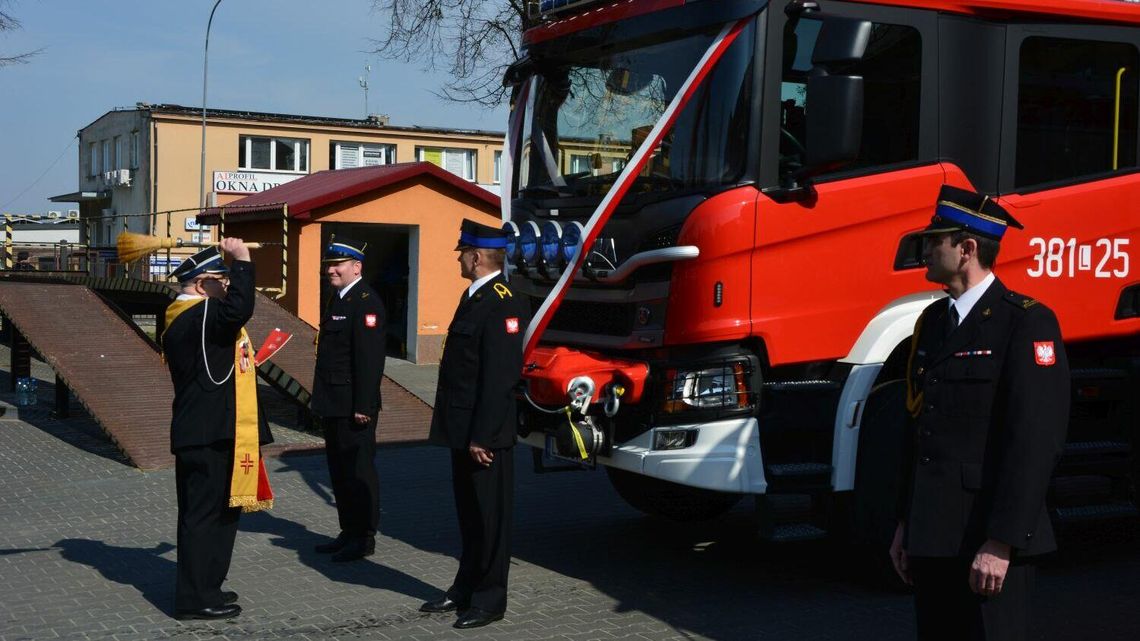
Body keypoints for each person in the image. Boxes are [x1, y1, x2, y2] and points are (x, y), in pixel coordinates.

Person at [890, 185, 1070, 641]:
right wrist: (906, 525)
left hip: (986, 543)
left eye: (936, 241)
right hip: (933, 539)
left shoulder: (1025, 321)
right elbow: (922, 434)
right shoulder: (933, 323)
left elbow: (1034, 442)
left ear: (967, 249)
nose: (925, 250)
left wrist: (1002, 541)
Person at [420, 219, 530, 629]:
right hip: (464, 428)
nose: (459, 260)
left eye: (462, 253)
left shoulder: (504, 301)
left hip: (486, 435)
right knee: (470, 516)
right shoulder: (475, 297)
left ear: (477, 256)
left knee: (489, 519)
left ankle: (489, 599)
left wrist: (483, 435)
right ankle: (465, 587)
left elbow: (501, 377)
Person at [162, 239, 274, 620]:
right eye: (221, 280)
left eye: (228, 280)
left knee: (220, 516)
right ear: (201, 284)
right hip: (205, 435)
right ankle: (193, 599)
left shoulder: (192, 315)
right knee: (202, 518)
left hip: (212, 430)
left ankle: (208, 586)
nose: (227, 286)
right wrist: (242, 259)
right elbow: (238, 308)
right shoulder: (197, 314)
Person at [310, 236, 387, 562]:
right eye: (329, 265)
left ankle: (364, 536)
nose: (331, 270)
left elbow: (369, 360)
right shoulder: (339, 299)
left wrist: (363, 406)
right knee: (340, 472)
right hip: (334, 402)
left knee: (358, 472)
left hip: (354, 406)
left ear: (356, 267)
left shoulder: (366, 302)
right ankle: (348, 530)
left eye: (337, 265)